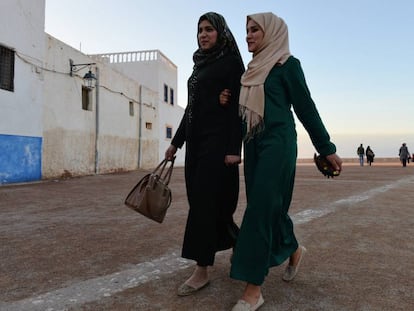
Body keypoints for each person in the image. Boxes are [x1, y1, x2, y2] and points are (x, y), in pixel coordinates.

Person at [228, 13, 342, 311]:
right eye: (247, 30)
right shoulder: (250, 71)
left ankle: (253, 290)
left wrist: (326, 147)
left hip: (279, 143)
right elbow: (242, 115)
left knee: (258, 210)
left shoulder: (288, 65)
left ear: (272, 33)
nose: (249, 35)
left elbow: (306, 107)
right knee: (268, 208)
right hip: (253, 144)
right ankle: (293, 250)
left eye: (255, 30)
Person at [164, 12, 245, 296]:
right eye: (200, 30)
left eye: (209, 29)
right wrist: (176, 143)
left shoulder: (231, 63)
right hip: (197, 146)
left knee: (202, 206)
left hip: (218, 145)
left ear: (221, 32)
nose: (203, 34)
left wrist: (235, 149)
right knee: (214, 206)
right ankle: (240, 244)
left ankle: (201, 270)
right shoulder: (199, 65)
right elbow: (191, 108)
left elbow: (239, 107)